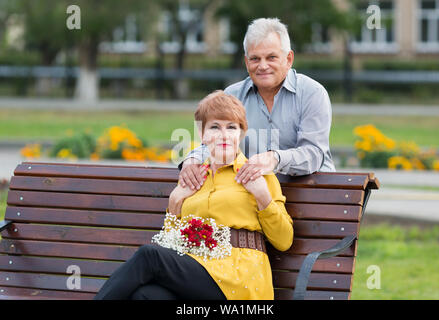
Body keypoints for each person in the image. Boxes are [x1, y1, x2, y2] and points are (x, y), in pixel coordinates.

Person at [94, 91, 293, 300]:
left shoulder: (257, 174)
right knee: (146, 296)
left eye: (232, 127)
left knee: (149, 256)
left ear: (241, 133)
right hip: (196, 272)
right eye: (215, 127)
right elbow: (171, 242)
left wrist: (263, 196)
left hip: (239, 279)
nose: (224, 135)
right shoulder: (194, 178)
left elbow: (284, 240)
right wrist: (175, 202)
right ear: (202, 134)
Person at [179, 17, 335, 192]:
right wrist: (192, 160)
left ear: (289, 59)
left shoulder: (312, 93)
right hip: (254, 198)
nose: (263, 66)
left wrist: (275, 159)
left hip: (313, 195)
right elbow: (215, 143)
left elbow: (314, 153)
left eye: (271, 57)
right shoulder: (232, 95)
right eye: (255, 59)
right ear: (246, 62)